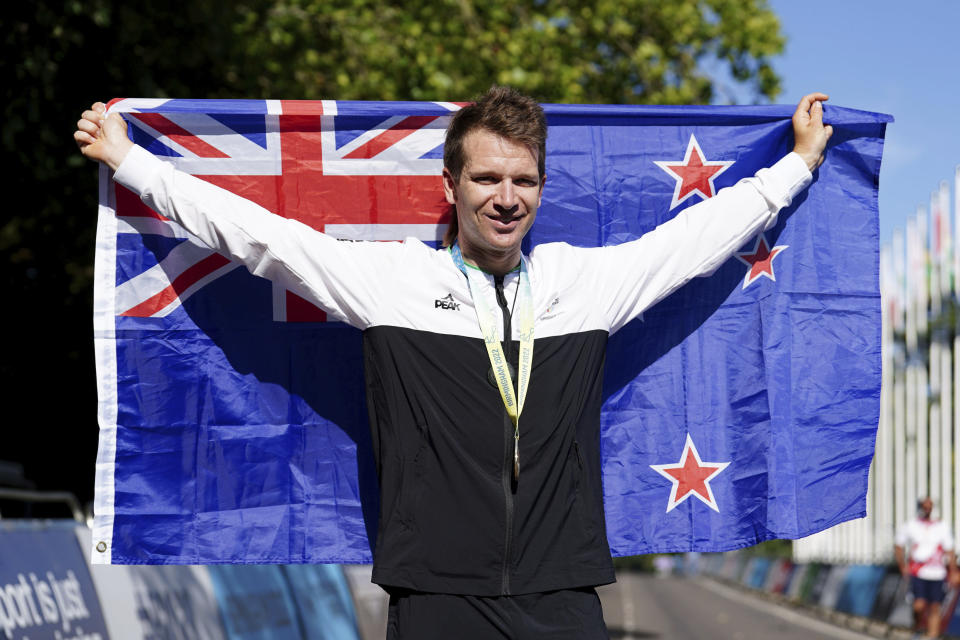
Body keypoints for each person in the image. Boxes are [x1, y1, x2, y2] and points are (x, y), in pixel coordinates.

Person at [75, 86, 832, 639]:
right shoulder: (393, 280)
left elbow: (693, 242)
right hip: (435, 597)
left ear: (542, 186)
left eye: (524, 180)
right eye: (486, 178)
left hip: (561, 592)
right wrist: (132, 163)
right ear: (451, 186)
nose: (506, 198)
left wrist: (796, 166)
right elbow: (260, 236)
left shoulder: (582, 283)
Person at [895, 496, 958, 638]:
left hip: (938, 573)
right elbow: (898, 546)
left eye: (930, 506)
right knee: (919, 605)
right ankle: (917, 627)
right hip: (918, 572)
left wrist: (953, 571)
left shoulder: (941, 526)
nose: (927, 509)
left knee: (935, 606)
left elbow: (950, 549)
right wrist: (902, 565)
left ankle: (932, 635)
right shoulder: (911, 525)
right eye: (925, 506)